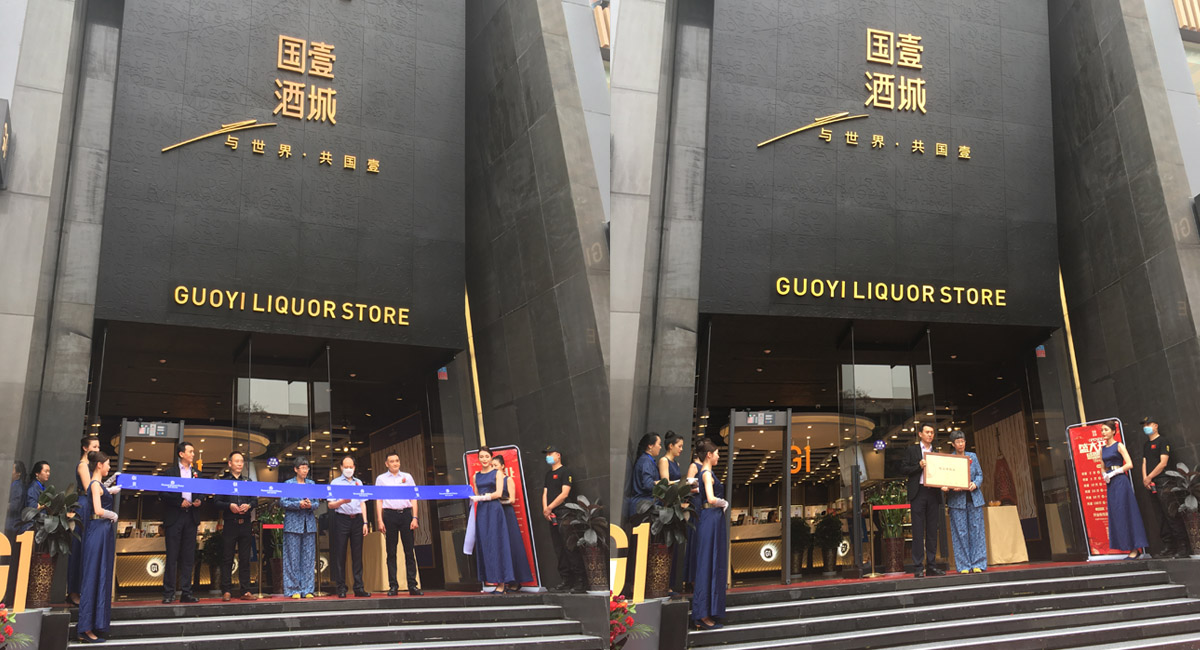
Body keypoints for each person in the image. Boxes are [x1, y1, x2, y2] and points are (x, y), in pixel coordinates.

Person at [77, 451, 120, 643]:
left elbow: (102, 491)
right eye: (107, 464)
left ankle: (92, 625)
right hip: (98, 531)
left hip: (101, 532)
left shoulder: (97, 484)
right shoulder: (95, 485)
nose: (109, 467)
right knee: (93, 576)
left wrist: (111, 484)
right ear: (99, 465)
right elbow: (98, 509)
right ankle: (85, 628)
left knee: (99, 575)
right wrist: (113, 515)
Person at [692, 438, 728, 630]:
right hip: (710, 518)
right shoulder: (706, 473)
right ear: (709, 455)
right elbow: (711, 498)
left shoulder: (706, 473)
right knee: (707, 564)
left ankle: (706, 612)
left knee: (711, 563)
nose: (718, 457)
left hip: (711, 519)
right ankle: (702, 615)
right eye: (717, 454)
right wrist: (723, 503)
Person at [375, 452, 423, 596]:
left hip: (406, 515)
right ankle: (393, 586)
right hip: (389, 515)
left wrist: (415, 517)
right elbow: (379, 500)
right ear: (386, 464)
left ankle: (412, 585)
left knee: (409, 551)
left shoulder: (407, 477)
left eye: (397, 460)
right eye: (392, 461)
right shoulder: (381, 479)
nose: (395, 463)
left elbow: (414, 498)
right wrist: (380, 520)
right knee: (391, 552)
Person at [1140, 417, 1189, 558]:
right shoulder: (1146, 445)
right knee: (1160, 516)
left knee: (1171, 514)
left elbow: (1163, 463)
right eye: (1144, 425)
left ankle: (1183, 547)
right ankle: (1169, 547)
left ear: (1155, 426)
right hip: (1151, 484)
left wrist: (1149, 477)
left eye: (1148, 424)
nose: (1145, 427)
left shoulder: (1162, 441)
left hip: (1164, 481)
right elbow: (1144, 462)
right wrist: (1145, 479)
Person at [900, 424, 944, 577]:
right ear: (920, 434)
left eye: (932, 432)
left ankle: (931, 565)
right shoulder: (912, 450)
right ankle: (918, 567)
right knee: (918, 531)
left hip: (933, 492)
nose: (930, 435)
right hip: (918, 492)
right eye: (927, 432)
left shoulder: (936, 452)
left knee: (932, 531)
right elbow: (904, 469)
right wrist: (918, 466)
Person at [159, 441, 201, 604]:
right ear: (181, 454)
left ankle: (186, 592)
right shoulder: (170, 473)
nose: (193, 454)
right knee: (172, 556)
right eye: (190, 451)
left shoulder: (197, 473)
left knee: (188, 557)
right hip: (175, 517)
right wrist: (179, 502)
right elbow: (163, 493)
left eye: (193, 452)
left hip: (191, 517)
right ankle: (169, 593)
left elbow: (202, 492)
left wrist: (199, 500)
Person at [1100, 420, 1148, 559]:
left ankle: (1135, 548)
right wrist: (1105, 475)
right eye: (1102, 430)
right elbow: (1102, 467)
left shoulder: (1119, 445)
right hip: (1111, 483)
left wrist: (1115, 472)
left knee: (1126, 511)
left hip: (1120, 480)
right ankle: (1127, 547)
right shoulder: (1102, 449)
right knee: (1117, 515)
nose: (1103, 432)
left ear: (1113, 431)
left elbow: (1130, 464)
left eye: (1106, 430)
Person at [470, 447, 516, 593]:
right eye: (481, 457)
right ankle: (491, 580)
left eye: (486, 456)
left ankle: (502, 583)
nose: (484, 459)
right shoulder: (476, 476)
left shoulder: (498, 473)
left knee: (497, 542)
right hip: (482, 511)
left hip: (494, 509)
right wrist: (477, 498)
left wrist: (485, 497)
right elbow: (476, 493)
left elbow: (498, 493)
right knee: (485, 543)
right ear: (478, 458)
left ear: (491, 458)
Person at [214, 452, 257, 602]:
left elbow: (255, 500)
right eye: (236, 461)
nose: (239, 464)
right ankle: (226, 590)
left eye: (241, 461)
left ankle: (245, 590)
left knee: (245, 558)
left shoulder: (248, 481)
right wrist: (229, 506)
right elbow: (216, 502)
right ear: (230, 463)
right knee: (227, 558)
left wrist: (249, 506)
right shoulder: (223, 482)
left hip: (245, 523)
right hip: (230, 523)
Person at [542, 445, 585, 593]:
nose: (548, 456)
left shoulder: (565, 472)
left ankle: (580, 582)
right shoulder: (548, 475)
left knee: (570, 547)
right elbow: (545, 493)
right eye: (546, 454)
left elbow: (564, 494)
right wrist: (546, 509)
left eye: (550, 453)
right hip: (552, 515)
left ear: (558, 455)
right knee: (559, 549)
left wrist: (550, 507)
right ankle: (566, 580)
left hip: (565, 513)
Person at [943, 431, 986, 573]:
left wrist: (975, 484)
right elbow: (946, 479)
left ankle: (978, 563)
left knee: (977, 531)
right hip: (957, 501)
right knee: (960, 533)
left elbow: (979, 474)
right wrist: (950, 487)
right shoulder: (950, 459)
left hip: (974, 499)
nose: (961, 444)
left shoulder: (972, 456)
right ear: (953, 444)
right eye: (958, 442)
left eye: (963, 441)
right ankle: (964, 565)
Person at [328, 455, 370, 598]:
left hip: (357, 520)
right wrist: (341, 501)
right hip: (342, 519)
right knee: (340, 554)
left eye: (350, 467)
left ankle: (359, 587)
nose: (348, 469)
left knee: (357, 555)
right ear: (341, 467)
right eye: (346, 467)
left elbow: (363, 503)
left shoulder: (358, 482)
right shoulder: (335, 482)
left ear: (354, 467)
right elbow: (330, 504)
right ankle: (341, 588)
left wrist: (365, 522)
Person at [68, 437, 101, 606]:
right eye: (94, 446)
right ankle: (73, 591)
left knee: (86, 550)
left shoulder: (92, 466)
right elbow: (89, 488)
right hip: (83, 506)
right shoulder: (83, 465)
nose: (97, 449)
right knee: (78, 548)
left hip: (89, 505)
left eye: (98, 446)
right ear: (85, 448)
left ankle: (82, 590)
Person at [492, 454, 533, 592]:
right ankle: (503, 580)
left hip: (507, 513)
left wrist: (499, 501)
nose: (493, 468)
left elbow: (512, 499)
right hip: (495, 514)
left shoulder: (507, 479)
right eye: (492, 466)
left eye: (496, 466)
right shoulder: (492, 481)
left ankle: (516, 579)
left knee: (512, 544)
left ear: (502, 466)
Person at [280, 457, 317, 599]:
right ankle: (292, 589)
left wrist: (310, 505)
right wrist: (298, 504)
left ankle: (307, 589)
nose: (305, 470)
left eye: (307, 468)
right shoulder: (288, 484)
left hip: (309, 525)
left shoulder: (311, 484)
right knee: (292, 558)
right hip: (293, 525)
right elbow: (283, 502)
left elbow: (317, 503)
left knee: (308, 559)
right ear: (296, 469)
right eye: (302, 468)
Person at [683, 448, 704, 593]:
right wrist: (703, 487)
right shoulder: (694, 466)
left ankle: (696, 577)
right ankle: (692, 578)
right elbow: (689, 486)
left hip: (701, 504)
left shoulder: (702, 467)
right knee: (695, 540)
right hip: (696, 505)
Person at [628, 433, 662, 517]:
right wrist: (660, 483)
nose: (660, 447)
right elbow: (648, 485)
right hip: (643, 506)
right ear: (650, 446)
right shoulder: (646, 461)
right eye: (659, 444)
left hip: (643, 504)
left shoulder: (647, 460)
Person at [22, 461, 50, 532]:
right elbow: (32, 506)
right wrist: (44, 505)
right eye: (46, 471)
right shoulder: (33, 487)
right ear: (37, 473)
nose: (48, 474)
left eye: (49, 471)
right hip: (32, 525)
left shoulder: (42, 487)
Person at [6, 461, 26, 535]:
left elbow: (15, 506)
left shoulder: (18, 487)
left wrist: (4, 506)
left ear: (18, 473)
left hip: (11, 525)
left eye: (12, 469)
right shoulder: (12, 484)